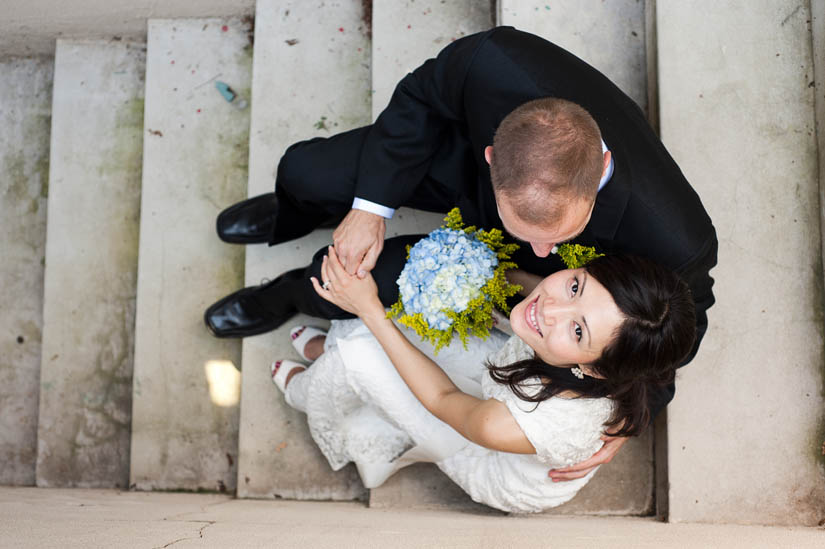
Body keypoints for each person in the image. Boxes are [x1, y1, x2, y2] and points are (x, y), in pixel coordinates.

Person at [204, 27, 718, 480]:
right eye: (529, 232)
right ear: (494, 153)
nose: (541, 249)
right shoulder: (492, 61)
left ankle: (285, 296)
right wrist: (370, 208)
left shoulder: (675, 237)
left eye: (560, 235)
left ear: (601, 169)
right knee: (306, 173)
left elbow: (677, 325)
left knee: (353, 278)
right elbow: (422, 98)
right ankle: (297, 212)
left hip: (524, 274)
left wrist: (629, 418)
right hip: (460, 170)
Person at [269, 248, 695, 513]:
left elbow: (440, 397)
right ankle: (336, 348)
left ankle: (308, 389)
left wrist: (369, 310)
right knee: (416, 335)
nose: (548, 309)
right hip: (525, 378)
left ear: (596, 369)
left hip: (498, 460)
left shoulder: (516, 423)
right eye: (575, 285)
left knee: (362, 358)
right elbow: (535, 294)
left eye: (578, 330)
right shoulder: (597, 340)